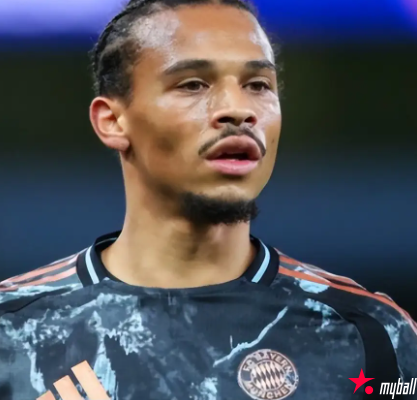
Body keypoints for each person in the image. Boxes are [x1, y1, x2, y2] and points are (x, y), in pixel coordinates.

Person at [1, 0, 416, 399]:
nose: (238, 110)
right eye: (193, 84)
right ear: (112, 121)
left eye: (258, 85)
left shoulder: (373, 335)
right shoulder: (11, 332)